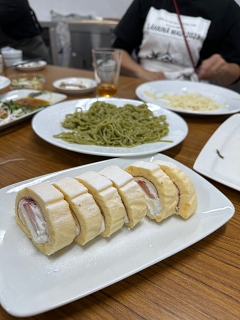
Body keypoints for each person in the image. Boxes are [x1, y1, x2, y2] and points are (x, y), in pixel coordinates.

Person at [112, 0, 240, 86]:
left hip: (196, 98)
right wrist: (140, 72)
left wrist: (223, 70)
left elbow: (234, 73)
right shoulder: (146, 2)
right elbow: (116, 52)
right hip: (143, 88)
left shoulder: (228, 9)